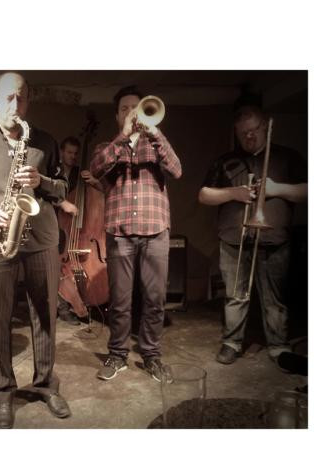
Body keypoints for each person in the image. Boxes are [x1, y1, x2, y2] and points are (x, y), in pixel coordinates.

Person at [0, 72, 71, 428]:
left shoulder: (46, 142)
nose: (15, 104)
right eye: (8, 97)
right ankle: (2, 393)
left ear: (28, 101)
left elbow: (63, 189)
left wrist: (43, 181)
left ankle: (45, 385)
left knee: (46, 316)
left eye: (20, 97)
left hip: (42, 239)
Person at [198, 104, 307, 366]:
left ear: (265, 127)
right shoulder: (225, 161)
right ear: (236, 132)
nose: (249, 136)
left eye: (254, 130)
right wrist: (233, 193)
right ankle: (232, 342)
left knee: (274, 298)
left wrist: (276, 189)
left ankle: (278, 346)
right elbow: (204, 195)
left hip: (275, 239)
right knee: (235, 295)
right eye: (243, 132)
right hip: (234, 240)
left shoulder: (288, 157)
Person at [90, 86, 182, 381]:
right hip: (120, 232)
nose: (131, 112)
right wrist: (123, 137)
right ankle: (117, 355)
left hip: (155, 229)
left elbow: (177, 170)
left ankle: (152, 355)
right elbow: (96, 168)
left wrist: (154, 132)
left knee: (155, 299)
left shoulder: (156, 144)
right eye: (124, 108)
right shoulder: (107, 146)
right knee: (119, 301)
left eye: (136, 107)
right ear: (117, 116)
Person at [56, 136, 102, 326]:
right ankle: (63, 308)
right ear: (61, 152)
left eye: (76, 153)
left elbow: (100, 193)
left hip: (79, 231)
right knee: (56, 266)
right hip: (58, 225)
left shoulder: (80, 174)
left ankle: (86, 301)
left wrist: (95, 182)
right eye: (69, 152)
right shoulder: (54, 171)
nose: (73, 157)